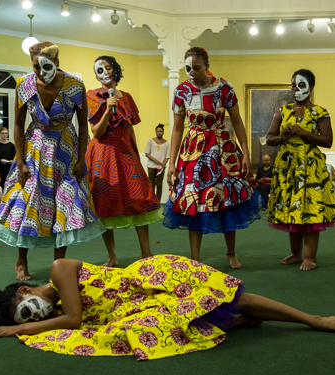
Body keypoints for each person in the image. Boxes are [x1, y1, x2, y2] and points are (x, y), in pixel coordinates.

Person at [0, 255, 335, 361]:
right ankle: (243, 321)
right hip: (128, 310)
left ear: (21, 290)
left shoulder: (58, 269)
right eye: (28, 321)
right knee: (169, 324)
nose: (34, 319)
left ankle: (312, 319)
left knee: (226, 298)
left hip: (147, 280)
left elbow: (72, 319)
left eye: (27, 310)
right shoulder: (20, 308)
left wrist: (19, 332)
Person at [0, 42, 104, 281]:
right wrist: (20, 160)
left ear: (57, 63)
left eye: (45, 67)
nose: (40, 72)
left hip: (65, 151)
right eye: (35, 67)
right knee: (28, 201)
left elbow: (83, 128)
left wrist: (80, 159)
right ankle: (21, 262)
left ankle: (59, 264)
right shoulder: (24, 85)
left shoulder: (75, 86)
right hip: (35, 149)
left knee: (64, 203)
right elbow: (17, 123)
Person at [165, 47, 262, 270]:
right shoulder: (181, 92)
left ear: (207, 65)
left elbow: (237, 121)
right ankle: (195, 259)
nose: (191, 72)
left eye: (196, 68)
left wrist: (246, 153)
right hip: (192, 152)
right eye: (188, 68)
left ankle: (231, 253)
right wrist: (172, 162)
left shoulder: (224, 88)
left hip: (223, 150)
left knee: (228, 200)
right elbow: (177, 129)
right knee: (193, 202)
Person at [86, 55, 162, 267]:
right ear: (96, 75)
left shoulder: (127, 97)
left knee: (140, 198)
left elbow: (130, 128)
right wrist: (106, 109)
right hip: (103, 154)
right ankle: (112, 256)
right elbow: (96, 133)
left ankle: (146, 252)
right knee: (105, 201)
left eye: (108, 67)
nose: (106, 72)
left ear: (115, 69)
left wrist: (135, 154)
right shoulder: (92, 97)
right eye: (100, 70)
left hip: (126, 153)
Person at [265, 69, 335, 271]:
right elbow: (270, 139)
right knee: (292, 208)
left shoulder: (320, 112)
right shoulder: (282, 111)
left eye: (301, 85)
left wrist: (303, 132)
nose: (296, 90)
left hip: (309, 167)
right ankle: (296, 254)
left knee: (309, 210)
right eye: (293, 85)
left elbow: (327, 141)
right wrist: (283, 136)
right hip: (287, 168)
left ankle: (311, 257)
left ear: (311, 87)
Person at [144, 124, 170, 199]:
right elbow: (147, 153)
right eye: (158, 131)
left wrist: (163, 165)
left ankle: (158, 201)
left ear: (163, 132)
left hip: (161, 168)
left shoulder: (167, 143)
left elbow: (167, 156)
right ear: (156, 132)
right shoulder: (150, 141)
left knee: (159, 185)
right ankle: (152, 201)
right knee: (151, 185)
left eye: (161, 131)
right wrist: (156, 161)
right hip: (151, 166)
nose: (159, 133)